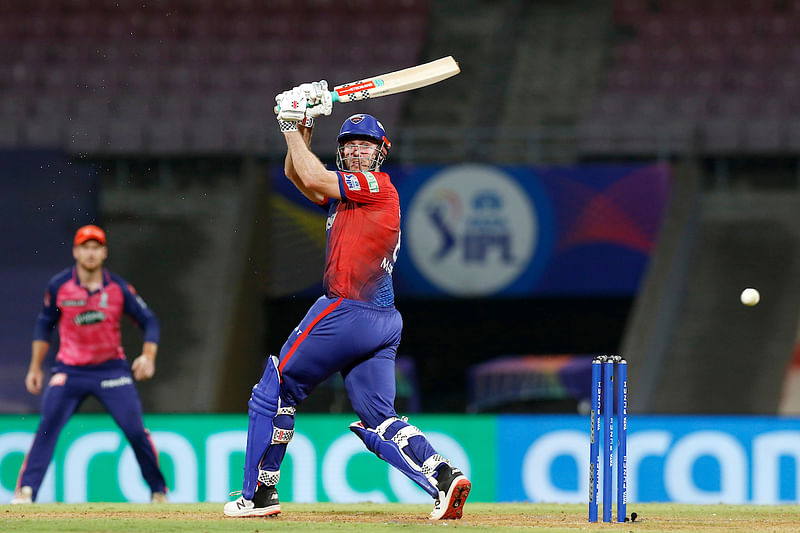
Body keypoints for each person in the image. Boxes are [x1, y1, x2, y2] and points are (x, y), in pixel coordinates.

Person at [223, 82, 470, 520]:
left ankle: (258, 495)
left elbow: (315, 176)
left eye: (366, 145)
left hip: (347, 310)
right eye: (350, 145)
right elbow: (297, 176)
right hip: (383, 320)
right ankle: (443, 475)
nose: (357, 152)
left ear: (380, 152)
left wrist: (287, 127)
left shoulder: (375, 185)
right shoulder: (350, 196)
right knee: (379, 419)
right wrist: (303, 126)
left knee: (275, 388)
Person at [11, 225, 168, 504]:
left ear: (104, 252)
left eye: (96, 247)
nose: (91, 253)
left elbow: (149, 321)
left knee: (134, 429)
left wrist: (148, 356)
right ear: (75, 251)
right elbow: (44, 325)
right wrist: (35, 367)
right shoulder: (60, 286)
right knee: (47, 426)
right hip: (69, 371)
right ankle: (26, 491)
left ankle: (158, 491)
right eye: (85, 247)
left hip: (111, 371)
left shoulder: (118, 288)